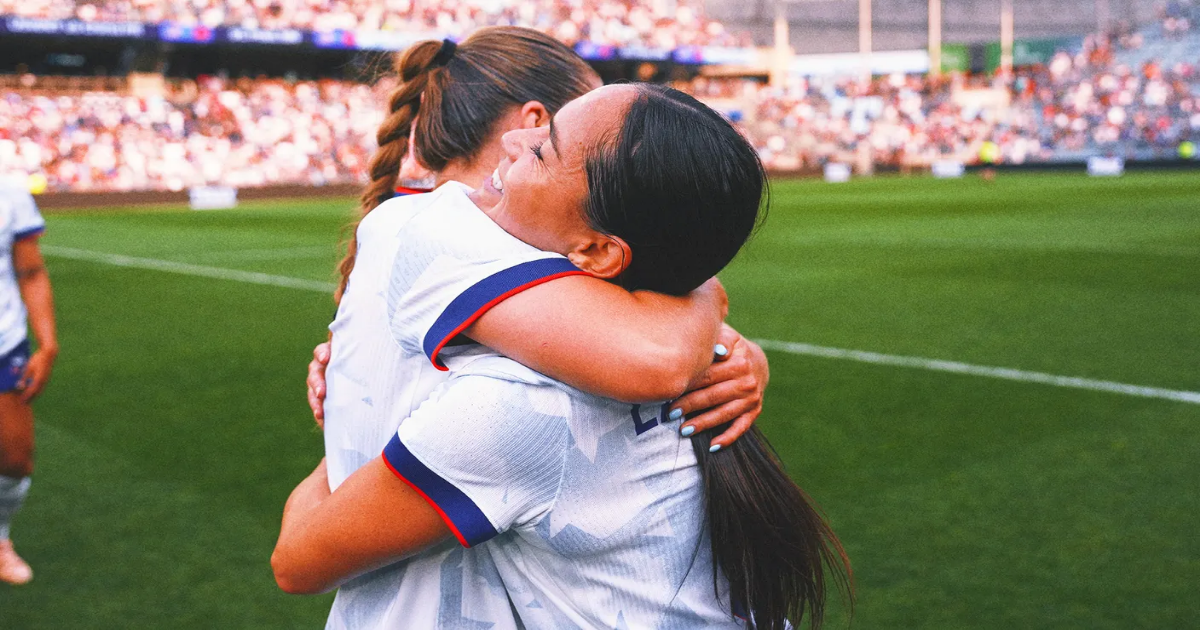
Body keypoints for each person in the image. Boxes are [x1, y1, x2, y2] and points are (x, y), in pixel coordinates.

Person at [274, 84, 851, 629]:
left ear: (598, 252)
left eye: (542, 150)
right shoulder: (694, 342)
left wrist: (359, 410)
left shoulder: (519, 404)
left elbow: (297, 562)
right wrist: (707, 304)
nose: (512, 140)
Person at [0, 184, 58, 586]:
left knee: (15, 460)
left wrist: (48, 343)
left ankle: (0, 538)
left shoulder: (10, 195)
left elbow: (32, 270)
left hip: (4, 343)